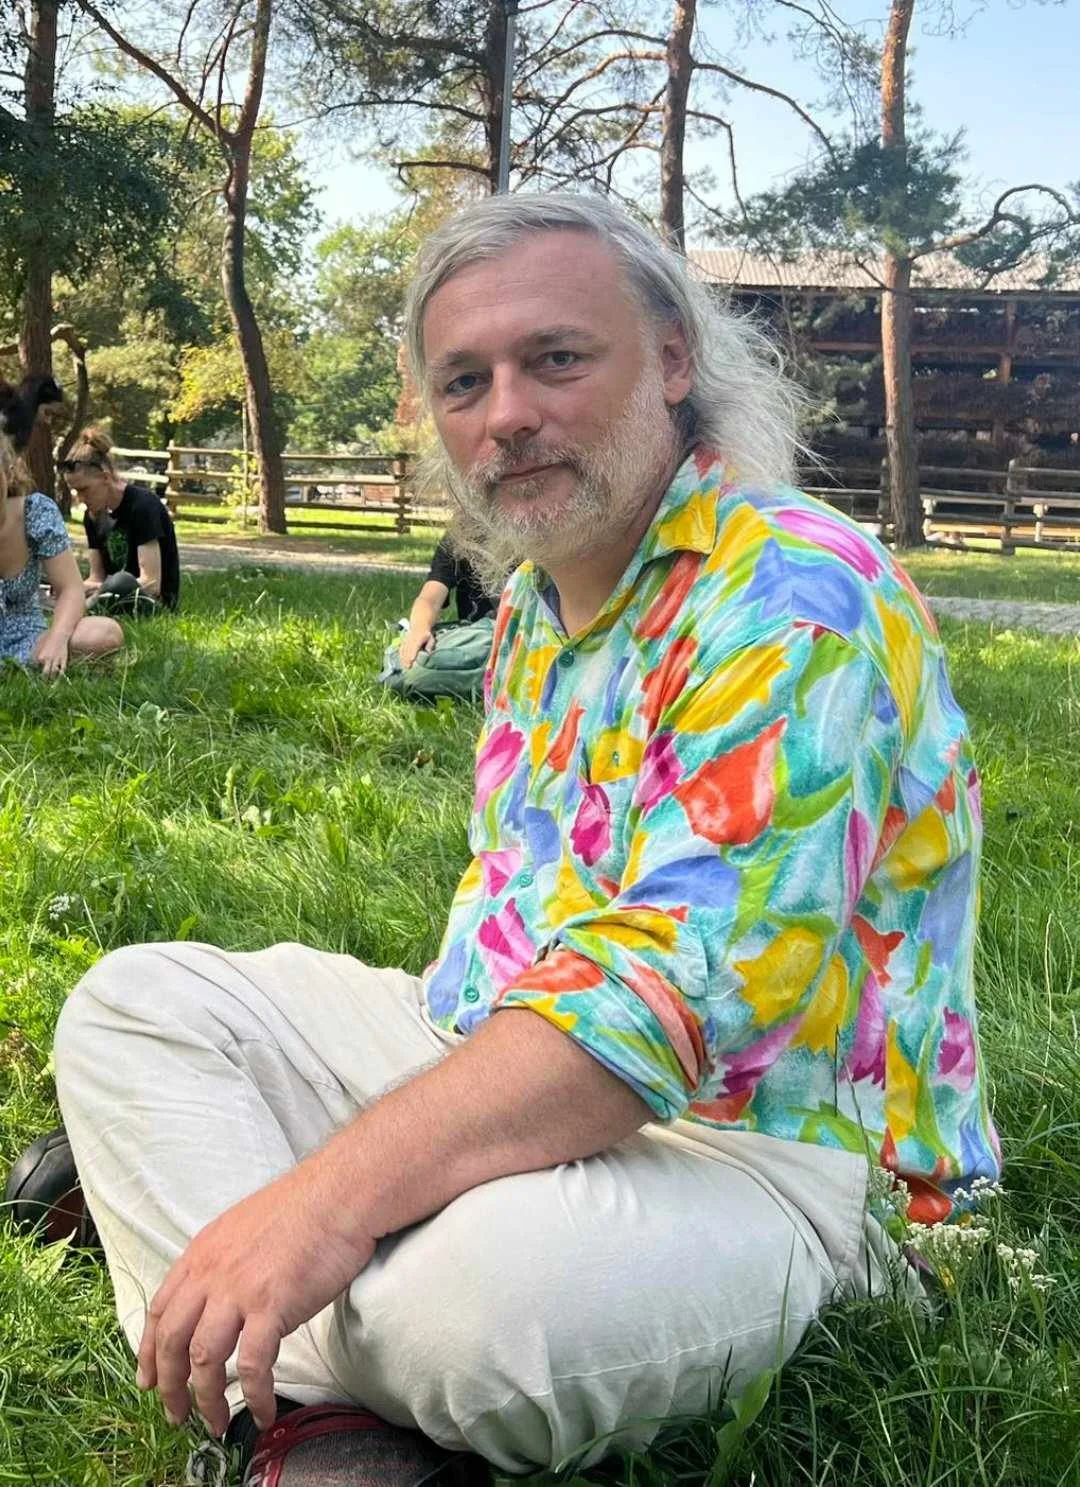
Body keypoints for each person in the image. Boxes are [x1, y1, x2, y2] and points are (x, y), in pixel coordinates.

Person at [39, 195, 999, 1484]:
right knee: (133, 1004)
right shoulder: (539, 607)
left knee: (467, 1314)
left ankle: (230, 1280)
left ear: (671, 359)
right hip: (497, 1041)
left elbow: (661, 1007)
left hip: (762, 1146)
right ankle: (317, 1419)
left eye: (556, 358)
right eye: (464, 381)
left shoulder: (796, 594)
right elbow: (515, 945)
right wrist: (358, 1175)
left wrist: (325, 1200)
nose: (506, 415)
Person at [0, 377, 123, 674]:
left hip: (30, 639)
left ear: (7, 470)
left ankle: (46, 658)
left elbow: (70, 588)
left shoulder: (35, 512)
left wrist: (58, 637)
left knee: (104, 633)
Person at [61, 427, 180, 614]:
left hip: (150, 604)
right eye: (75, 491)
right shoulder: (92, 515)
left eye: (84, 490)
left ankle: (77, 613)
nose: (80, 498)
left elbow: (151, 584)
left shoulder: (143, 506)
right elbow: (96, 577)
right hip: (110, 597)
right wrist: (73, 589)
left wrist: (98, 592)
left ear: (105, 477)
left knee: (122, 580)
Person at [381, 533, 503, 703]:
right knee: (416, 667)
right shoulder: (460, 535)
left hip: (522, 635)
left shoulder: (535, 533)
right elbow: (430, 598)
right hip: (478, 645)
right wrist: (419, 629)